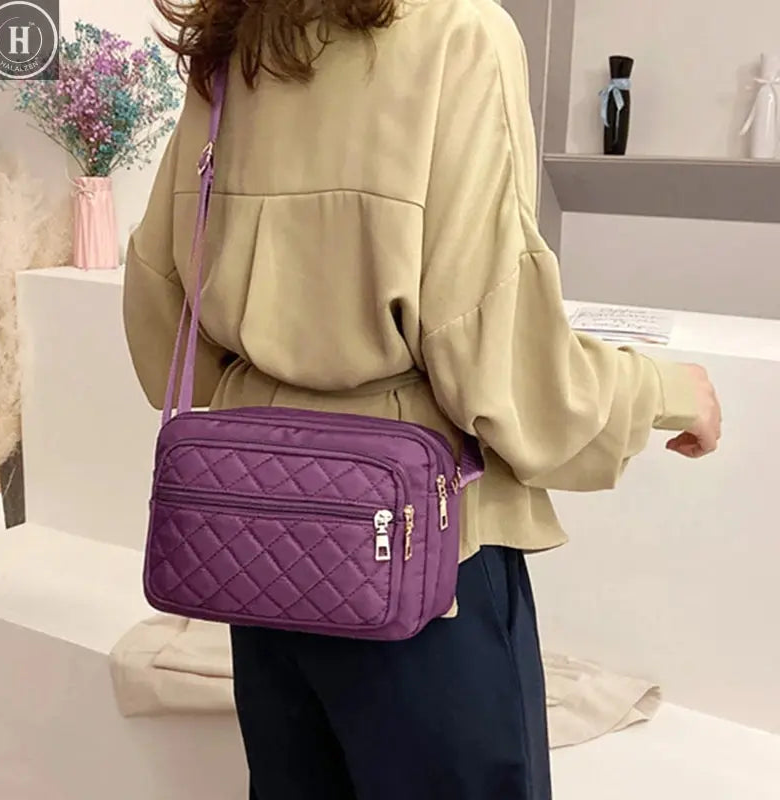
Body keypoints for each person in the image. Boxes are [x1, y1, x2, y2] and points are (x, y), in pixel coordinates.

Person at [123, 0, 722, 797]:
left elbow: (162, 303)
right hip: (421, 545)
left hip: (259, 540)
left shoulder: (240, 41)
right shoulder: (459, 35)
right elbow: (496, 352)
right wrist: (664, 391)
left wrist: (277, 366)